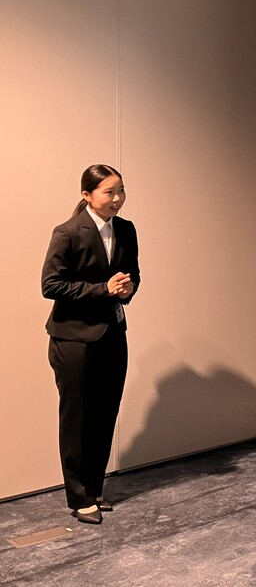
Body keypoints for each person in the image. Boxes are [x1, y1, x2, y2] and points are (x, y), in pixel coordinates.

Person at [41, 164, 140, 525]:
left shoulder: (126, 229)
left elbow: (133, 275)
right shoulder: (67, 232)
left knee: (104, 413)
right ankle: (79, 497)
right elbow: (51, 285)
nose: (117, 198)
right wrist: (103, 290)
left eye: (121, 190)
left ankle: (95, 488)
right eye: (108, 192)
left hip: (113, 333)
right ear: (87, 195)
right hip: (74, 340)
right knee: (77, 419)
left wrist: (127, 289)